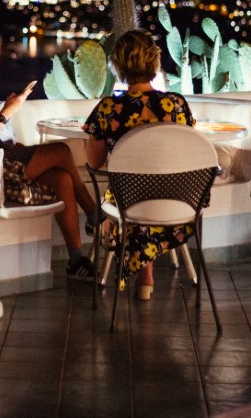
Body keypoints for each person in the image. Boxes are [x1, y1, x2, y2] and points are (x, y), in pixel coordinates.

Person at [0, 14, 100, 281]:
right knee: (62, 151)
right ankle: (93, 212)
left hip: (3, 157)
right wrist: (7, 112)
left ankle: (76, 259)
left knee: (63, 178)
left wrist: (8, 126)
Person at [83, 28, 195, 300]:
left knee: (129, 191)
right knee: (150, 185)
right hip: (177, 200)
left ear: (118, 66)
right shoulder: (177, 105)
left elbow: (94, 161)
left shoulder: (108, 109)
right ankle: (146, 274)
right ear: (154, 63)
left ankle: (134, 263)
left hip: (128, 202)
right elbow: (190, 150)